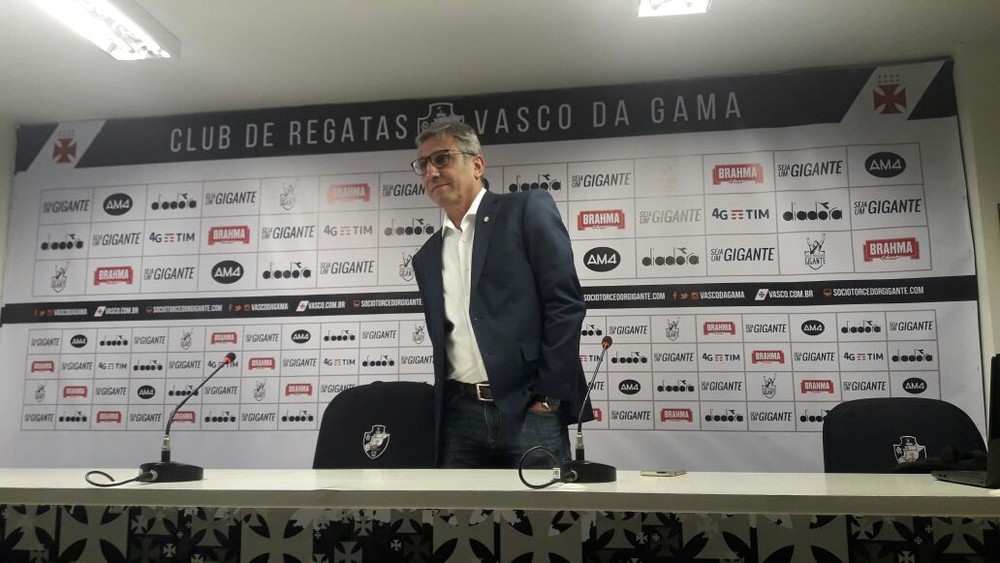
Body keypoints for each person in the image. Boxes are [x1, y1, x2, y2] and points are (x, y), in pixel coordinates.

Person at [411, 121, 593, 469]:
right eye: (423, 164)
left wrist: (548, 397)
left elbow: (565, 305)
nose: (431, 171)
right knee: (457, 507)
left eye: (442, 158)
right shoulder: (426, 255)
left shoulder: (525, 210)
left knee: (542, 506)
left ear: (477, 165)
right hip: (460, 417)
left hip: (529, 410)